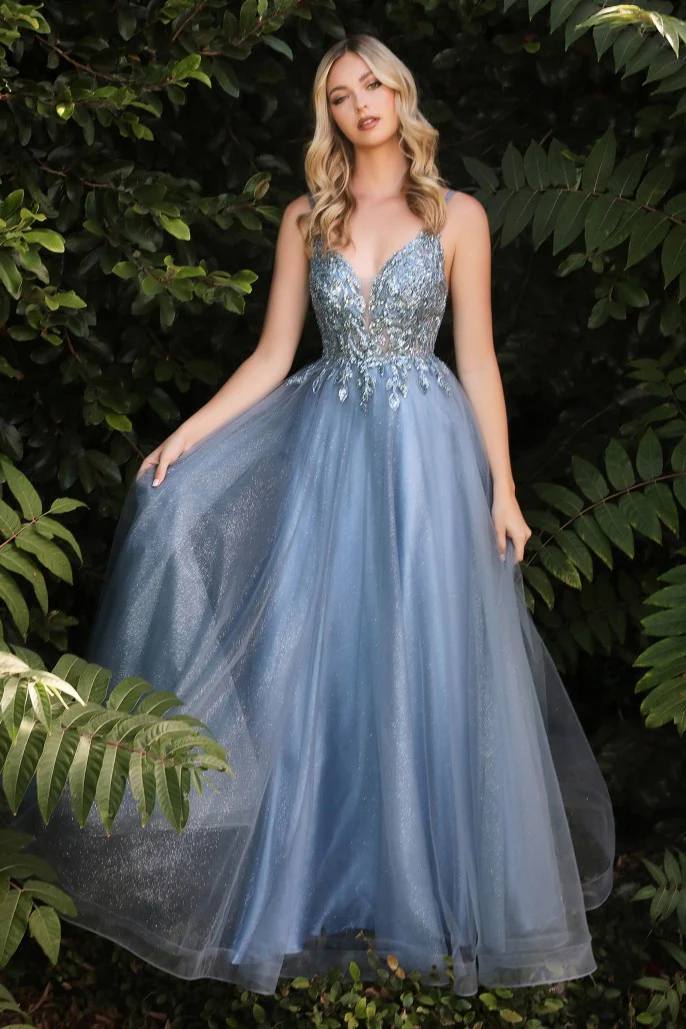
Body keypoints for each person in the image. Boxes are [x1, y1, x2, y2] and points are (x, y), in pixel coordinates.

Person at [16, 33, 614, 998]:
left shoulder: (457, 215)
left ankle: (435, 903)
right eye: (341, 94)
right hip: (330, 457)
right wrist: (186, 436)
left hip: (428, 460)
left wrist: (503, 487)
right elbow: (272, 356)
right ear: (327, 114)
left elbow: (478, 359)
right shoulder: (307, 216)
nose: (361, 103)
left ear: (400, 93)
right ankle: (306, 896)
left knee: (429, 656)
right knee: (319, 661)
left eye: (373, 84)